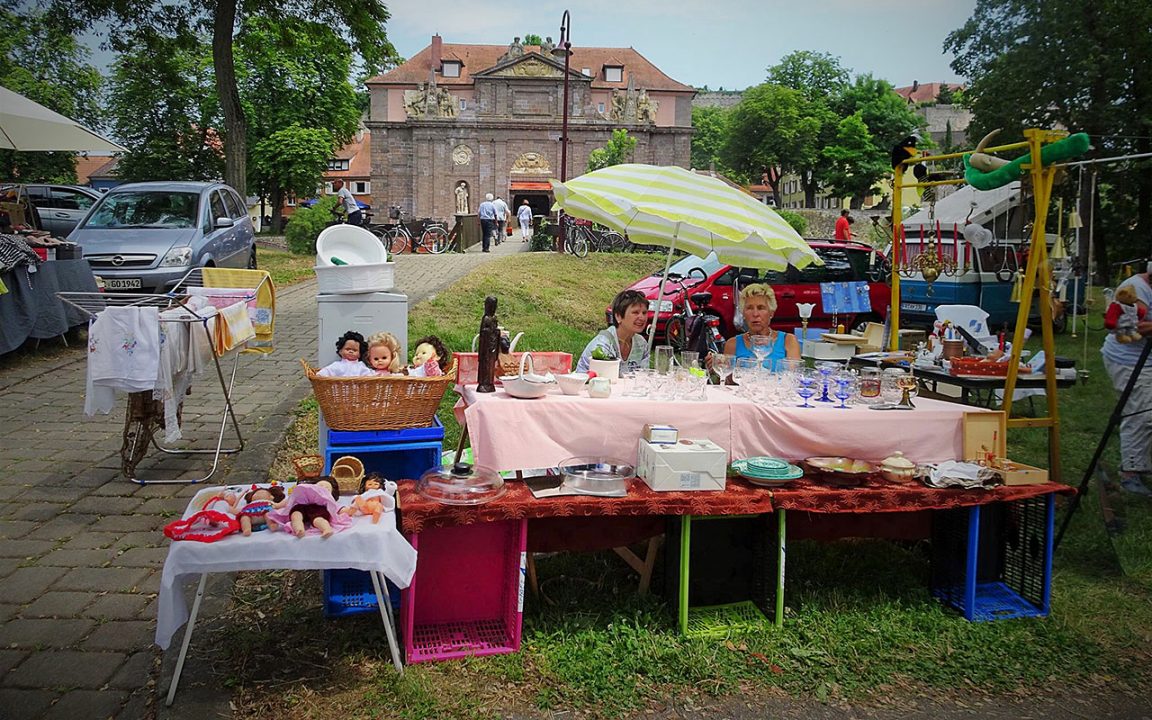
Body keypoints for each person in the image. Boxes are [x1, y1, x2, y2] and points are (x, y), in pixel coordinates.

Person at [1100, 269, 1152, 496]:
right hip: (1129, 361)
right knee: (1139, 414)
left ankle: (1143, 466)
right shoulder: (1136, 289)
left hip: (1146, 359)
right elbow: (1131, 326)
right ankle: (1131, 472)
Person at [721, 284, 800, 370]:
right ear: (743, 313)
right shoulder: (733, 344)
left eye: (761, 308)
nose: (755, 314)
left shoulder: (788, 341)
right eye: (749, 308)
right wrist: (716, 369)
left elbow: (793, 377)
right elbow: (727, 381)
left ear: (771, 313)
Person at [576, 290, 651, 373]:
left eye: (644, 313)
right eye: (635, 312)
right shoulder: (603, 345)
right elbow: (602, 381)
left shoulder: (641, 344)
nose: (642, 317)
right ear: (618, 316)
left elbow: (644, 376)